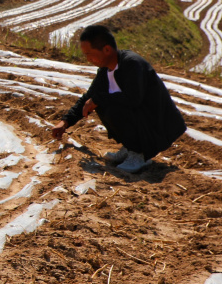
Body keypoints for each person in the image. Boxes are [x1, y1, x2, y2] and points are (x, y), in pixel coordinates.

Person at [51, 25, 186, 173]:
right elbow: (88, 97)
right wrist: (65, 122)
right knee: (99, 102)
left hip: (158, 127)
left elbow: (134, 99)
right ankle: (130, 147)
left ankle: (140, 154)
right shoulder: (105, 70)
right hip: (143, 122)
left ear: (107, 49)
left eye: (89, 54)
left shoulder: (132, 64)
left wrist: (98, 99)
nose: (88, 59)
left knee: (108, 106)